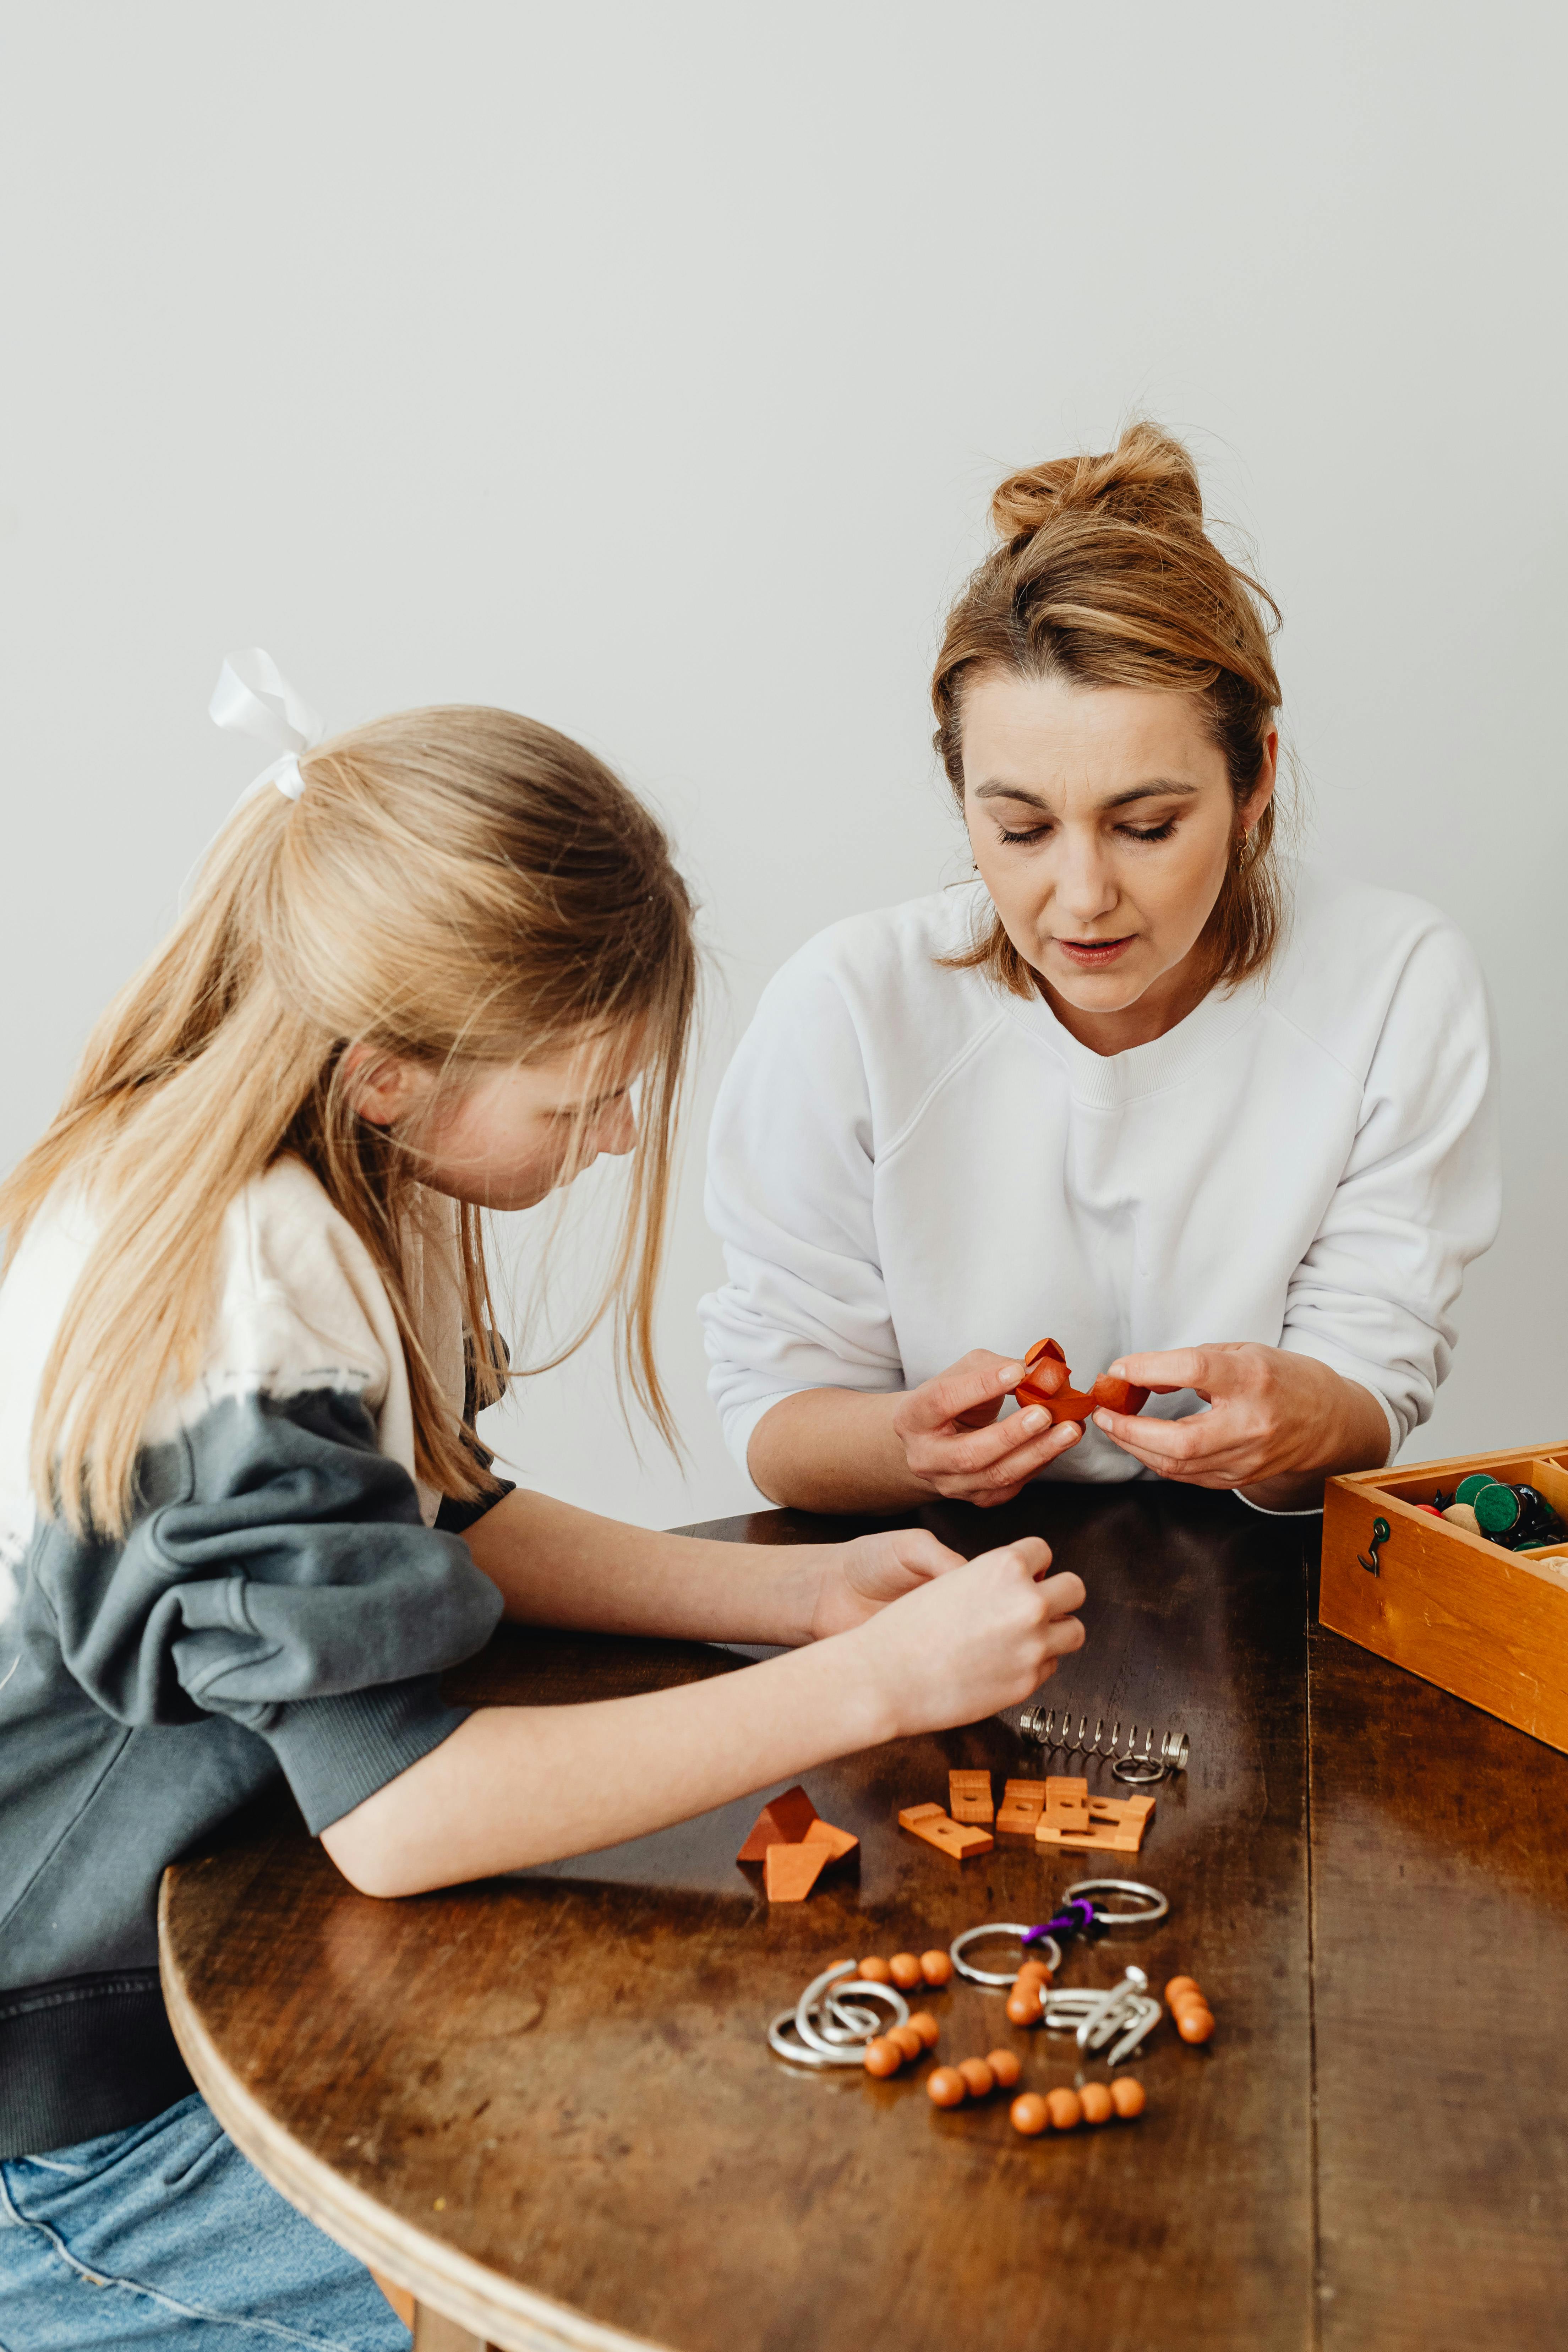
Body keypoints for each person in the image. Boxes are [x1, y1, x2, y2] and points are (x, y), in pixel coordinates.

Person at [0, 668, 1085, 2348]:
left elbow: (435, 1519)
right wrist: (868, 1689)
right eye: (579, 1103)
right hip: (76, 2136)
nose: (615, 1136)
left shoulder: (335, 1166)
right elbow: (403, 1811)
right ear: (390, 1072)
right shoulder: (244, 1289)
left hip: (202, 1971)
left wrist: (791, 1603)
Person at [700, 424, 1500, 1518]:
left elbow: (1371, 1385)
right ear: (960, 793)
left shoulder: (1393, 983)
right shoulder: (846, 1008)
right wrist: (906, 1444)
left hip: (1256, 1591)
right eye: (1021, 829)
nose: (1081, 897)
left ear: (1254, 777)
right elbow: (777, 1414)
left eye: (1146, 825)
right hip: (927, 1590)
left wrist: (1298, 1420)